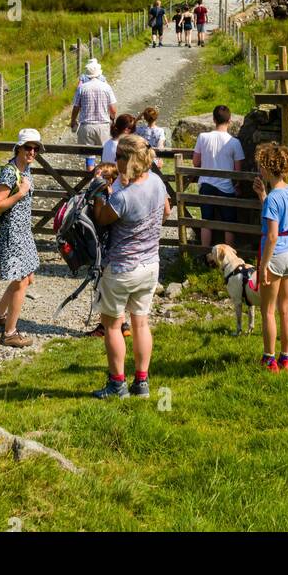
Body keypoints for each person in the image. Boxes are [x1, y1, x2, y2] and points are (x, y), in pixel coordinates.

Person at [91, 135, 170, 399]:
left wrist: (100, 193)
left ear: (127, 160)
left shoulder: (124, 198)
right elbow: (167, 211)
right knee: (141, 323)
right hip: (150, 265)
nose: (116, 161)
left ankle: (117, 384)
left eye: (119, 157)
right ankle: (142, 383)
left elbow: (102, 219)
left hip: (122, 267)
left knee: (113, 326)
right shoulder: (158, 182)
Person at [0, 129, 42, 348]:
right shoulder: (10, 173)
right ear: (18, 148)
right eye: (28, 147)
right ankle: (9, 333)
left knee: (26, 278)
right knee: (21, 281)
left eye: (36, 148)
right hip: (11, 234)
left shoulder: (25, 169)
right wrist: (20, 193)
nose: (32, 152)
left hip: (23, 232)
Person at [252, 141, 288, 373]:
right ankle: (286, 357)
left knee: (268, 310)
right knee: (286, 308)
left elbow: (271, 235)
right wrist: (262, 195)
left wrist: (263, 265)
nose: (260, 170)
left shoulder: (273, 199)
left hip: (276, 253)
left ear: (269, 168)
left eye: (262, 166)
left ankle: (269, 359)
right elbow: (282, 222)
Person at [82, 160, 131, 342]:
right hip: (112, 245)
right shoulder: (114, 192)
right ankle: (123, 324)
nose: (96, 178)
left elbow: (99, 218)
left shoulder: (104, 194)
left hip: (106, 247)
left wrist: (97, 189)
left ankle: (105, 326)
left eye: (101, 176)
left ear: (109, 179)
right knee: (109, 287)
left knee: (103, 286)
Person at [192, 105, 244, 249]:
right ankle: (230, 258)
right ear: (230, 120)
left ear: (214, 119)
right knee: (229, 223)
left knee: (206, 221)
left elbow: (196, 162)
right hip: (226, 188)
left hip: (206, 185)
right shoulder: (235, 143)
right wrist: (238, 185)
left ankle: (206, 254)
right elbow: (238, 171)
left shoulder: (203, 137)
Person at [71, 59, 117, 150]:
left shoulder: (82, 88)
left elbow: (76, 107)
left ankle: (90, 165)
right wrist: (112, 118)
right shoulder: (106, 87)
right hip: (103, 126)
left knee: (89, 156)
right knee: (104, 154)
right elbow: (113, 110)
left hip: (86, 126)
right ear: (99, 73)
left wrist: (73, 120)